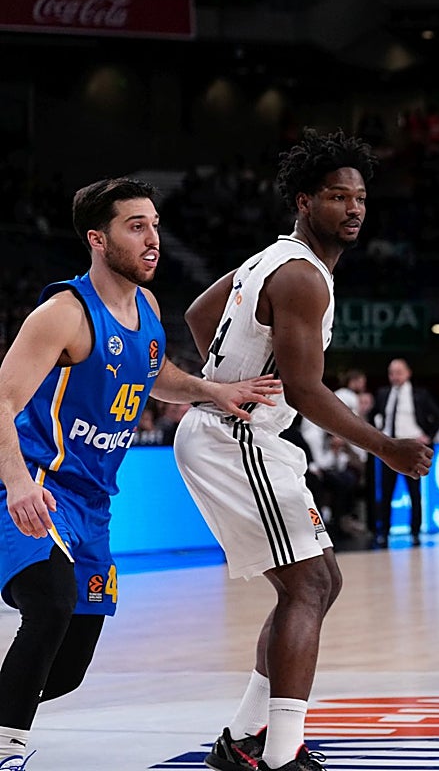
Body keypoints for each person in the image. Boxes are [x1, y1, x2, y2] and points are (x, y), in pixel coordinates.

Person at [173, 130, 433, 771]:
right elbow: (304, 389)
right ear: (304, 201)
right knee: (309, 585)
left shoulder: (270, 260)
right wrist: (386, 448)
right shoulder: (301, 277)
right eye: (338, 196)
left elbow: (200, 314)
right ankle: (279, 754)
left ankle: (245, 738)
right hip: (234, 437)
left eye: (360, 197)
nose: (353, 208)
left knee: (321, 583)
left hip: (240, 432)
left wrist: (227, 375)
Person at [0, 177, 280, 768]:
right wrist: (19, 484)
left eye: (155, 225)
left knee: (67, 669)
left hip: (93, 506)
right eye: (136, 227)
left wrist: (211, 391)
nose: (153, 239)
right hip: (35, 486)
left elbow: (154, 372)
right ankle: (5, 746)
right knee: (49, 605)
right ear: (97, 240)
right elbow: (1, 399)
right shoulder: (64, 313)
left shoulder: (147, 308)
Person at [373, 358, 439, 547]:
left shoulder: (420, 394)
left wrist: (428, 436)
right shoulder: (383, 394)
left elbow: (437, 415)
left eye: (399, 372)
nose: (395, 376)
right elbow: (374, 416)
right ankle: (383, 533)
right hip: (389, 448)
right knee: (386, 493)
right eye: (391, 372)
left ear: (408, 373)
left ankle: (415, 532)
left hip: (411, 447)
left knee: (414, 493)